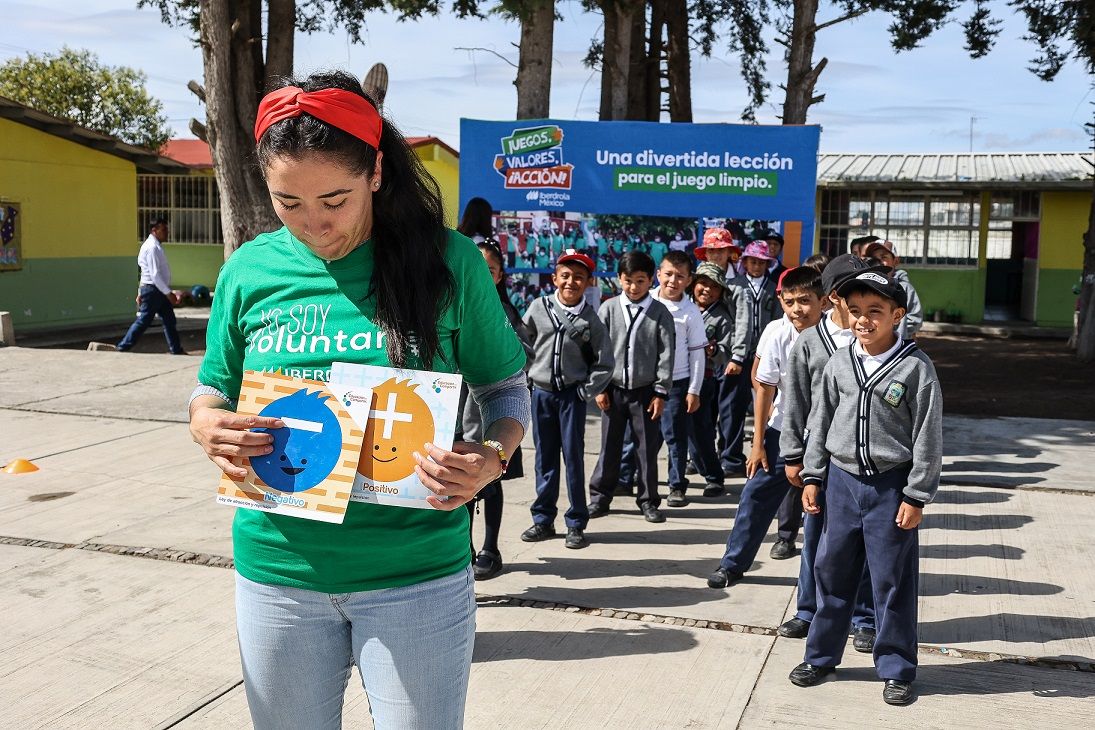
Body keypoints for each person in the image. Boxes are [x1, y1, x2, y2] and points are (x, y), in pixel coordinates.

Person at [187, 72, 529, 729]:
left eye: (334, 200)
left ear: (375, 171)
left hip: (415, 578)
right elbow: (213, 385)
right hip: (278, 572)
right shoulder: (248, 270)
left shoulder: (447, 262)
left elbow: (504, 386)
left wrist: (491, 455)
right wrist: (205, 424)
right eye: (288, 202)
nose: (313, 224)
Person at [789, 269, 942, 706]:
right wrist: (814, 476)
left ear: (897, 314)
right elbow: (821, 421)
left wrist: (917, 494)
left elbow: (927, 437)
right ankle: (820, 656)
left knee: (891, 580)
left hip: (890, 488)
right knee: (831, 571)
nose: (863, 320)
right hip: (841, 482)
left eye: (875, 312)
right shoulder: (839, 362)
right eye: (855, 311)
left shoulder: (915, 367)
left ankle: (896, 665)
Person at [777, 255, 880, 646]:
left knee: (865, 542)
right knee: (816, 538)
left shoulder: (872, 338)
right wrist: (793, 455)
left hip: (863, 462)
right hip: (821, 460)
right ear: (835, 296)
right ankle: (808, 609)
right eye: (855, 292)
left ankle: (864, 618)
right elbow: (794, 404)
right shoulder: (809, 343)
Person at [707, 267, 825, 588]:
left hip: (825, 437)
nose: (796, 309)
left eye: (804, 301)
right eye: (789, 302)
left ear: (823, 301)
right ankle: (733, 564)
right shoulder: (777, 331)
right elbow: (764, 388)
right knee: (755, 496)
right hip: (781, 431)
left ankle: (818, 582)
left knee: (819, 508)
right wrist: (758, 441)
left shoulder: (836, 336)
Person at [521, 250, 614, 549]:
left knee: (573, 459)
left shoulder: (591, 320)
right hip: (542, 395)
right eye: (565, 275)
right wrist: (525, 379)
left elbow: (605, 363)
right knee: (544, 458)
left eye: (578, 277)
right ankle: (543, 519)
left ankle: (576, 522)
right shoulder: (538, 307)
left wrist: (585, 391)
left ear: (588, 282)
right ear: (554, 278)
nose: (571, 282)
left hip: (571, 398)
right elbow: (523, 344)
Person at [459, 238, 534, 580]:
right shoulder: (452, 305)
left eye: (488, 270)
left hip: (488, 424)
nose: (480, 276)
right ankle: (468, 548)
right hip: (456, 417)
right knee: (462, 489)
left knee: (492, 481)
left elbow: (522, 356)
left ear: (500, 275)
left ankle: (491, 547)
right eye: (475, 268)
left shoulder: (505, 313)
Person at [587, 251, 675, 524]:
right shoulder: (609, 308)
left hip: (645, 392)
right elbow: (597, 350)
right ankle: (600, 497)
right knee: (609, 446)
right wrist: (599, 387)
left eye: (640, 281)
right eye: (628, 281)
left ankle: (648, 500)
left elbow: (666, 354)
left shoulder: (659, 312)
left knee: (647, 449)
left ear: (651, 280)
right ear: (619, 279)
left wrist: (661, 392)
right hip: (612, 390)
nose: (634, 287)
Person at [722, 241, 781, 476]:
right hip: (738, 355)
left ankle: (766, 448)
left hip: (765, 355)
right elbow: (729, 319)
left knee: (767, 404)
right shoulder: (734, 286)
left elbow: (778, 320)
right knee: (733, 406)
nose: (756, 266)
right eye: (752, 261)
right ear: (744, 262)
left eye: (761, 262)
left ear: (768, 264)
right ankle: (731, 455)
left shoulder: (773, 288)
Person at [652, 250, 706, 507]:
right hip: (645, 383)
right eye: (668, 274)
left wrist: (693, 389)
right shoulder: (647, 301)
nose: (673, 281)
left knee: (675, 437)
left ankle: (676, 485)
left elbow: (697, 354)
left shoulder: (690, 311)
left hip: (676, 383)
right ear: (658, 274)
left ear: (689, 280)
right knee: (639, 438)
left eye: (680, 276)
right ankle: (629, 479)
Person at [687, 262, 736, 497]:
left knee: (701, 430)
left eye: (713, 286)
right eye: (702, 283)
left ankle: (714, 476)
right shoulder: (683, 307)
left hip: (704, 379)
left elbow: (726, 351)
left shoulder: (721, 317)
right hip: (675, 378)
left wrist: (713, 351)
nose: (706, 289)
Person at [116, 217, 185, 355]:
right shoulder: (152, 247)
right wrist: (168, 293)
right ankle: (123, 347)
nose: (167, 233)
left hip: (156, 290)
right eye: (163, 229)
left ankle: (176, 350)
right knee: (144, 320)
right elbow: (154, 274)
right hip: (154, 290)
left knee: (169, 320)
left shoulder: (156, 246)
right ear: (154, 230)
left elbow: (147, 272)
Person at [863, 240, 923, 340]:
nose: (879, 262)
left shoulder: (905, 288)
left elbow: (915, 318)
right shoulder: (865, 286)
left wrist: (900, 331)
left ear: (896, 261)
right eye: (875, 258)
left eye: (883, 257)